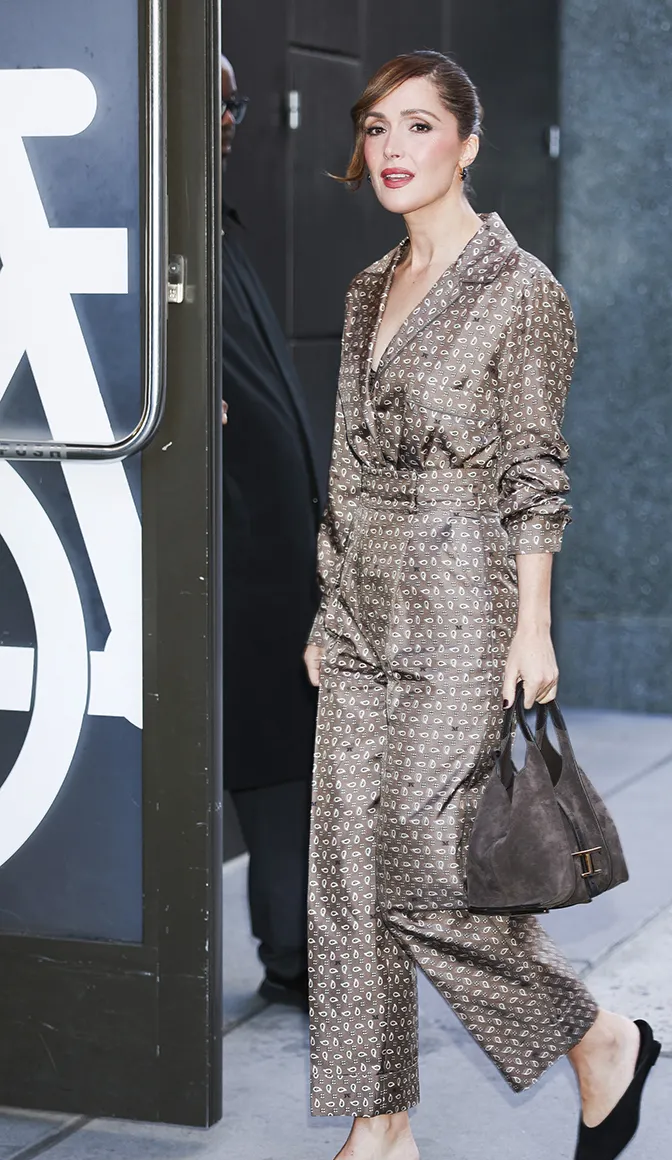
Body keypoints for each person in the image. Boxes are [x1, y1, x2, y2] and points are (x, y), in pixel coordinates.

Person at [253, 51, 660, 1160]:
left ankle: (600, 1039)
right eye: (376, 125)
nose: (391, 147)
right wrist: (331, 608)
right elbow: (347, 466)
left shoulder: (518, 289)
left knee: (431, 879)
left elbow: (537, 467)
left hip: (466, 605)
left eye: (418, 125)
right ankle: (379, 1134)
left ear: (466, 143)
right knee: (343, 875)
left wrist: (532, 627)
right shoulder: (367, 285)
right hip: (366, 609)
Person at [221, 55, 324, 1009]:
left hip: (278, 565)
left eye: (233, 101)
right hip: (221, 569)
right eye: (207, 98)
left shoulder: (216, 232)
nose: (225, 117)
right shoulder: (146, 241)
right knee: (272, 757)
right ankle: (291, 954)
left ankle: (293, 955)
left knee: (284, 760)